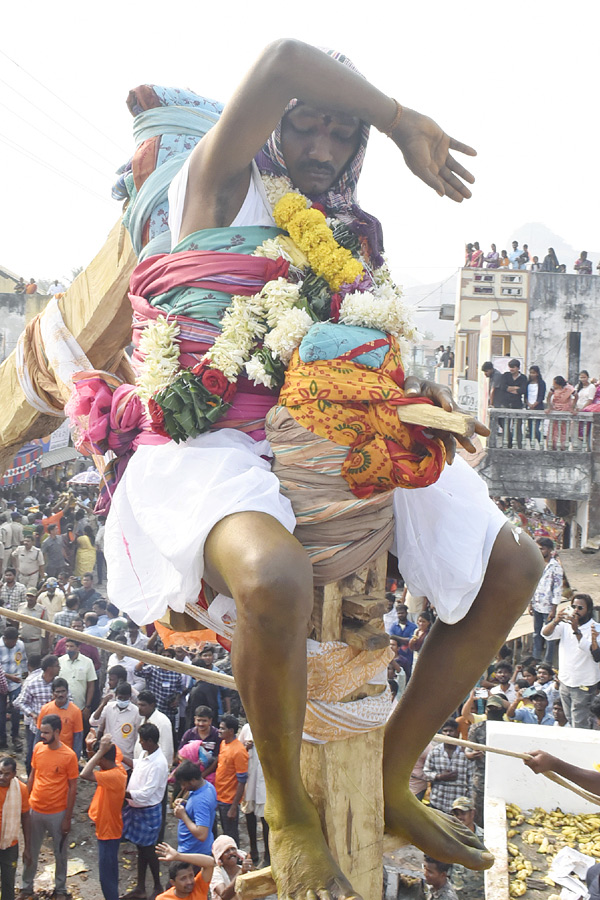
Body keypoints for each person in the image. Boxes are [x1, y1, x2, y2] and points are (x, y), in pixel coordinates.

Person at [97, 40, 545, 892]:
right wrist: (398, 115)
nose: (325, 149)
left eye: (345, 138)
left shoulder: (349, 235)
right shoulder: (219, 184)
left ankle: (392, 777)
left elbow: (358, 356)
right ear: (276, 125)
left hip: (341, 432)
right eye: (311, 125)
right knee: (275, 582)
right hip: (217, 443)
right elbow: (281, 60)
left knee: (514, 567)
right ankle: (289, 819)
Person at [21, 714, 78, 900]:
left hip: (57, 812)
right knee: (30, 849)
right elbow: (32, 776)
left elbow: (72, 788)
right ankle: (26, 887)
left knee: (60, 853)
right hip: (35, 809)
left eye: (46, 732)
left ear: (57, 732)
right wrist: (26, 803)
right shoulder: (38, 748)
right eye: (41, 732)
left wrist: (67, 818)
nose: (42, 736)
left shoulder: (69, 756)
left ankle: (60, 889)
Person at [121, 722, 169, 900]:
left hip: (148, 811)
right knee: (141, 849)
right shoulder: (145, 754)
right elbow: (138, 765)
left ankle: (157, 885)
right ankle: (141, 886)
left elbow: (146, 793)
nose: (139, 743)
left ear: (150, 741)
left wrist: (121, 792)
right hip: (137, 810)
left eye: (142, 740)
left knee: (148, 850)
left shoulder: (159, 763)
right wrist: (121, 757)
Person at [80, 734, 128, 900]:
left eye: (98, 757)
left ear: (102, 758)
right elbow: (108, 752)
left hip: (109, 831)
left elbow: (85, 774)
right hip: (109, 827)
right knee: (111, 872)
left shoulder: (113, 776)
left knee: (106, 877)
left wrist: (98, 752)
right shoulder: (117, 765)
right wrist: (94, 747)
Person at [542, 594, 600, 728]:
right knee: (570, 718)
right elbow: (546, 634)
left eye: (580, 608)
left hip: (584, 683)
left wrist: (576, 631)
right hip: (565, 681)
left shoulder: (596, 628)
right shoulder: (564, 625)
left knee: (579, 721)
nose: (576, 611)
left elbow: (595, 654)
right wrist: (556, 621)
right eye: (574, 607)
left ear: (589, 610)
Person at [423, 720, 473, 816]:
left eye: (451, 731)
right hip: (438, 802)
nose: (448, 734)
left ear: (457, 733)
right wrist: (440, 776)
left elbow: (471, 780)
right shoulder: (435, 752)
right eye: (445, 731)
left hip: (458, 806)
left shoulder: (466, 753)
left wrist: (469, 802)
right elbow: (426, 773)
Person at [88, 681, 142, 763]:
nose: (123, 700)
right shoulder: (109, 707)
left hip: (125, 757)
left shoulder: (136, 712)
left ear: (130, 697)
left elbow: (136, 736)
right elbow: (93, 722)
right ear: (116, 696)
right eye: (120, 698)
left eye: (125, 698)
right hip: (107, 755)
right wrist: (103, 704)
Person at [0, 757, 31, 900]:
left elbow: (25, 818)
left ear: (13, 774)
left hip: (10, 844)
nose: (2, 777)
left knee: (8, 881)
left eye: (6, 774)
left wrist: (28, 847)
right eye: (0, 772)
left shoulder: (21, 790)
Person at [528, 537, 563, 662]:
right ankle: (536, 658)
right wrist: (530, 604)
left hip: (548, 607)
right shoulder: (536, 564)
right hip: (537, 604)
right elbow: (532, 585)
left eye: (542, 549)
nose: (540, 551)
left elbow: (558, 589)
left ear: (549, 549)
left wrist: (554, 608)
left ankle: (548, 661)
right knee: (536, 633)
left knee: (549, 634)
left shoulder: (555, 567)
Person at [238, 722, 268, 866]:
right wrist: (245, 748)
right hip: (250, 779)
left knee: (265, 818)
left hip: (265, 780)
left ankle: (268, 854)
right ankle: (254, 850)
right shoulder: (247, 728)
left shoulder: (272, 725)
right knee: (249, 813)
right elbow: (237, 749)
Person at [214, 716, 248, 844]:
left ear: (231, 731)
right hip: (220, 795)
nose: (219, 731)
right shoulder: (224, 743)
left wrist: (234, 807)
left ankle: (236, 861)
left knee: (231, 834)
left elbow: (242, 780)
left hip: (229, 800)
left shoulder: (239, 751)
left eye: (222, 728)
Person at [173, 760, 217, 856]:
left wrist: (183, 815)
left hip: (193, 851)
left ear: (193, 780)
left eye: (184, 784)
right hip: (199, 848)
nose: (182, 787)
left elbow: (201, 834)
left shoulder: (200, 800)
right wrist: (185, 803)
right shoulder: (207, 786)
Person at [37, 677, 83, 757]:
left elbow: (78, 738)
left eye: (63, 691)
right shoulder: (45, 709)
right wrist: (36, 752)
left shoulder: (76, 711)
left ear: (67, 692)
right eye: (58, 692)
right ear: (53, 693)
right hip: (47, 752)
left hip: (66, 754)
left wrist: (75, 758)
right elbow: (39, 734)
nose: (61, 695)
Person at [448, 796, 484, 894]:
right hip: (456, 892)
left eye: (463, 813)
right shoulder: (449, 837)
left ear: (472, 813)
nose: (459, 817)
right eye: (456, 814)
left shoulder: (484, 838)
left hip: (476, 893)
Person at [0, 628, 26, 752]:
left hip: (16, 684)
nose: (14, 644)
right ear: (5, 639)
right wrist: (9, 677)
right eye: (12, 642)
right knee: (1, 712)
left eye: (15, 641)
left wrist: (24, 677)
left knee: (16, 711)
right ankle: (2, 738)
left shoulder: (20, 645)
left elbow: (23, 661)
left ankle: (15, 737)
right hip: (1, 684)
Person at [179, 706, 221, 783]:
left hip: (210, 776)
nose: (201, 724)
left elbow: (218, 758)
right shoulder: (189, 734)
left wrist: (203, 775)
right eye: (199, 720)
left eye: (204, 721)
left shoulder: (217, 735)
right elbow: (180, 755)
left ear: (210, 721)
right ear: (195, 719)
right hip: (189, 775)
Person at [58, 637, 97, 717]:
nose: (68, 649)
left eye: (71, 646)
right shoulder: (60, 661)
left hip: (80, 706)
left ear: (78, 648)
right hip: (62, 706)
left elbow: (91, 685)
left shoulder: (87, 662)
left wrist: (87, 706)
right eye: (67, 646)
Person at [135, 690, 175, 766]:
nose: (139, 708)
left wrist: (164, 768)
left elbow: (167, 749)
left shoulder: (162, 721)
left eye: (143, 705)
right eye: (138, 705)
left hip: (154, 767)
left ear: (152, 705)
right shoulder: (143, 719)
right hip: (141, 765)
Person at [209, 835, 254, 900]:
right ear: (220, 857)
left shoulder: (244, 869)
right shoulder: (216, 873)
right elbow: (224, 896)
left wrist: (253, 872)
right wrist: (241, 872)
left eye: (233, 849)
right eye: (226, 851)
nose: (231, 852)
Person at [389, 602, 417, 679]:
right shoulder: (393, 626)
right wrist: (403, 639)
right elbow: (391, 639)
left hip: (408, 654)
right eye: (399, 613)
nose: (400, 615)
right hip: (396, 656)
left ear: (406, 613)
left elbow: (411, 640)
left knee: (408, 675)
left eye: (402, 613)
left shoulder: (413, 626)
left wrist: (396, 637)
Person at [548, 376, 576, 449]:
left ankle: (563, 446)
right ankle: (552, 446)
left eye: (555, 383)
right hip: (555, 408)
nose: (553, 385)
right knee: (553, 429)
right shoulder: (553, 388)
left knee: (563, 429)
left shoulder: (569, 388)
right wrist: (549, 407)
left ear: (559, 384)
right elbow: (548, 397)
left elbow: (576, 396)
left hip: (565, 409)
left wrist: (572, 407)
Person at [17, 590, 46, 658]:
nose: (30, 598)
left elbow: (46, 628)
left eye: (32, 596)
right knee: (18, 662)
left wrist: (45, 645)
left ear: (36, 597)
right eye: (28, 596)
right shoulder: (21, 606)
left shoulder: (42, 609)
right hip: (21, 641)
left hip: (35, 643)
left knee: (34, 664)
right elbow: (17, 622)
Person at [525, 365, 546, 443]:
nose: (532, 374)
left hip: (538, 407)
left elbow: (541, 396)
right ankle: (532, 445)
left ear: (537, 373)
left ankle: (541, 443)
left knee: (536, 429)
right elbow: (525, 395)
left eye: (533, 373)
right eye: (530, 373)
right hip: (529, 407)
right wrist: (528, 404)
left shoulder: (541, 383)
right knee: (530, 429)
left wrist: (535, 404)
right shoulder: (528, 383)